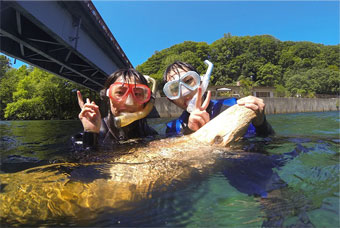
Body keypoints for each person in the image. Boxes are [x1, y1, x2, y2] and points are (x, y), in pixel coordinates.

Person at [162, 61, 274, 137]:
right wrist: (190, 132)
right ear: (171, 99)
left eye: (188, 81)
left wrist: (261, 123)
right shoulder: (173, 129)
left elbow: (268, 143)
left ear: (201, 82)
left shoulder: (233, 107)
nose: (185, 91)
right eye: (175, 88)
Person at [73, 68, 158, 150]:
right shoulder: (97, 133)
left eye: (138, 94)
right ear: (108, 95)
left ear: (147, 101)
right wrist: (90, 133)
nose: (129, 102)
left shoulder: (151, 134)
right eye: (120, 92)